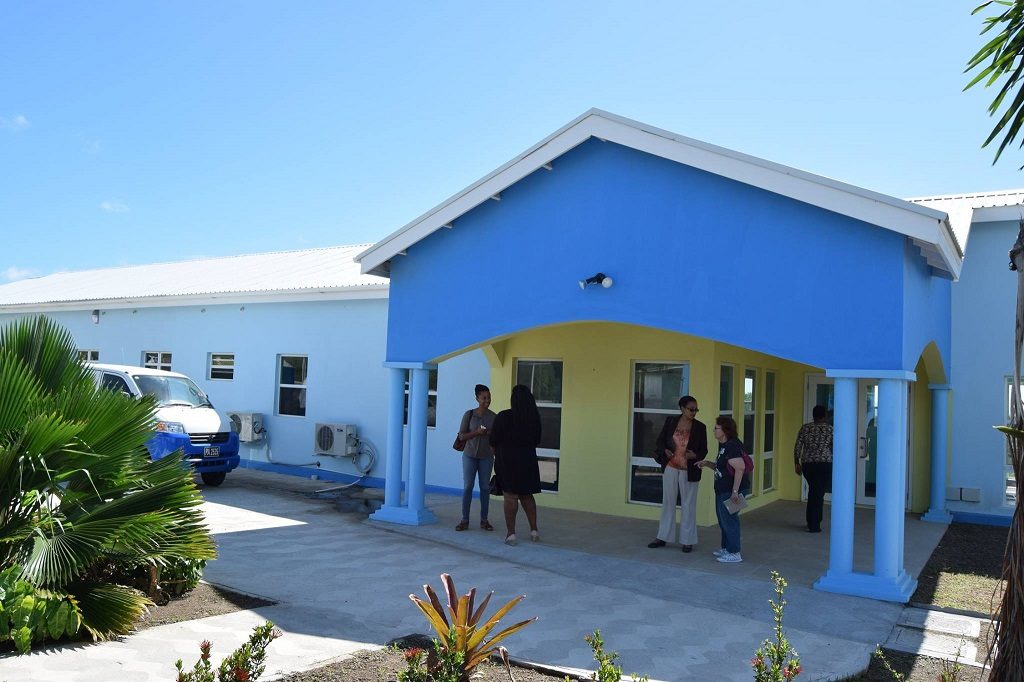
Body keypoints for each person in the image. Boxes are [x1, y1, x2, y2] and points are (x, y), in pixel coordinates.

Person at [647, 396, 708, 553]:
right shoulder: (670, 422)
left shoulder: (700, 427)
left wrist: (694, 455)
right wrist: (664, 450)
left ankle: (688, 541)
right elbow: (660, 441)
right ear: (682, 408)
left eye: (696, 409)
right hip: (671, 466)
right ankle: (663, 536)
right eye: (691, 409)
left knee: (688, 505)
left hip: (689, 470)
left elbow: (704, 450)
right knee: (668, 502)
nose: (694, 412)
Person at [489, 384, 542, 546]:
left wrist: (498, 456)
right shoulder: (534, 419)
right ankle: (534, 530)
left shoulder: (503, 416)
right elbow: (537, 440)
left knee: (510, 497)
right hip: (528, 461)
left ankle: (511, 534)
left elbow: (493, 441)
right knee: (527, 495)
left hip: (507, 461)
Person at [697, 416, 750, 564]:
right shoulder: (725, 445)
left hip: (732, 490)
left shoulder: (732, 446)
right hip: (723, 489)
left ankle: (734, 552)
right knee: (723, 520)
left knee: (730, 520)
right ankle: (727, 548)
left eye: (717, 428)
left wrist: (734, 492)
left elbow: (740, 468)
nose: (714, 430)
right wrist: (707, 463)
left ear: (725, 430)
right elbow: (723, 467)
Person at [455, 384, 497, 532]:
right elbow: (461, 435)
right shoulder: (469, 414)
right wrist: (476, 433)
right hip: (470, 455)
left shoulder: (493, 417)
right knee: (468, 487)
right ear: (477, 398)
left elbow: (497, 437)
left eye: (489, 397)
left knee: (485, 488)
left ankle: (484, 520)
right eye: (484, 398)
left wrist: (488, 433)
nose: (487, 400)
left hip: (486, 457)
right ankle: (464, 520)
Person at [794, 404, 833, 533]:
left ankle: (811, 520)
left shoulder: (805, 428)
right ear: (825, 416)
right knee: (818, 493)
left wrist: (797, 463)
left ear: (813, 415)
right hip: (824, 464)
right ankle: (814, 524)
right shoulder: (830, 429)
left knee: (814, 491)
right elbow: (835, 447)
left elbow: (798, 446)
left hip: (808, 465)